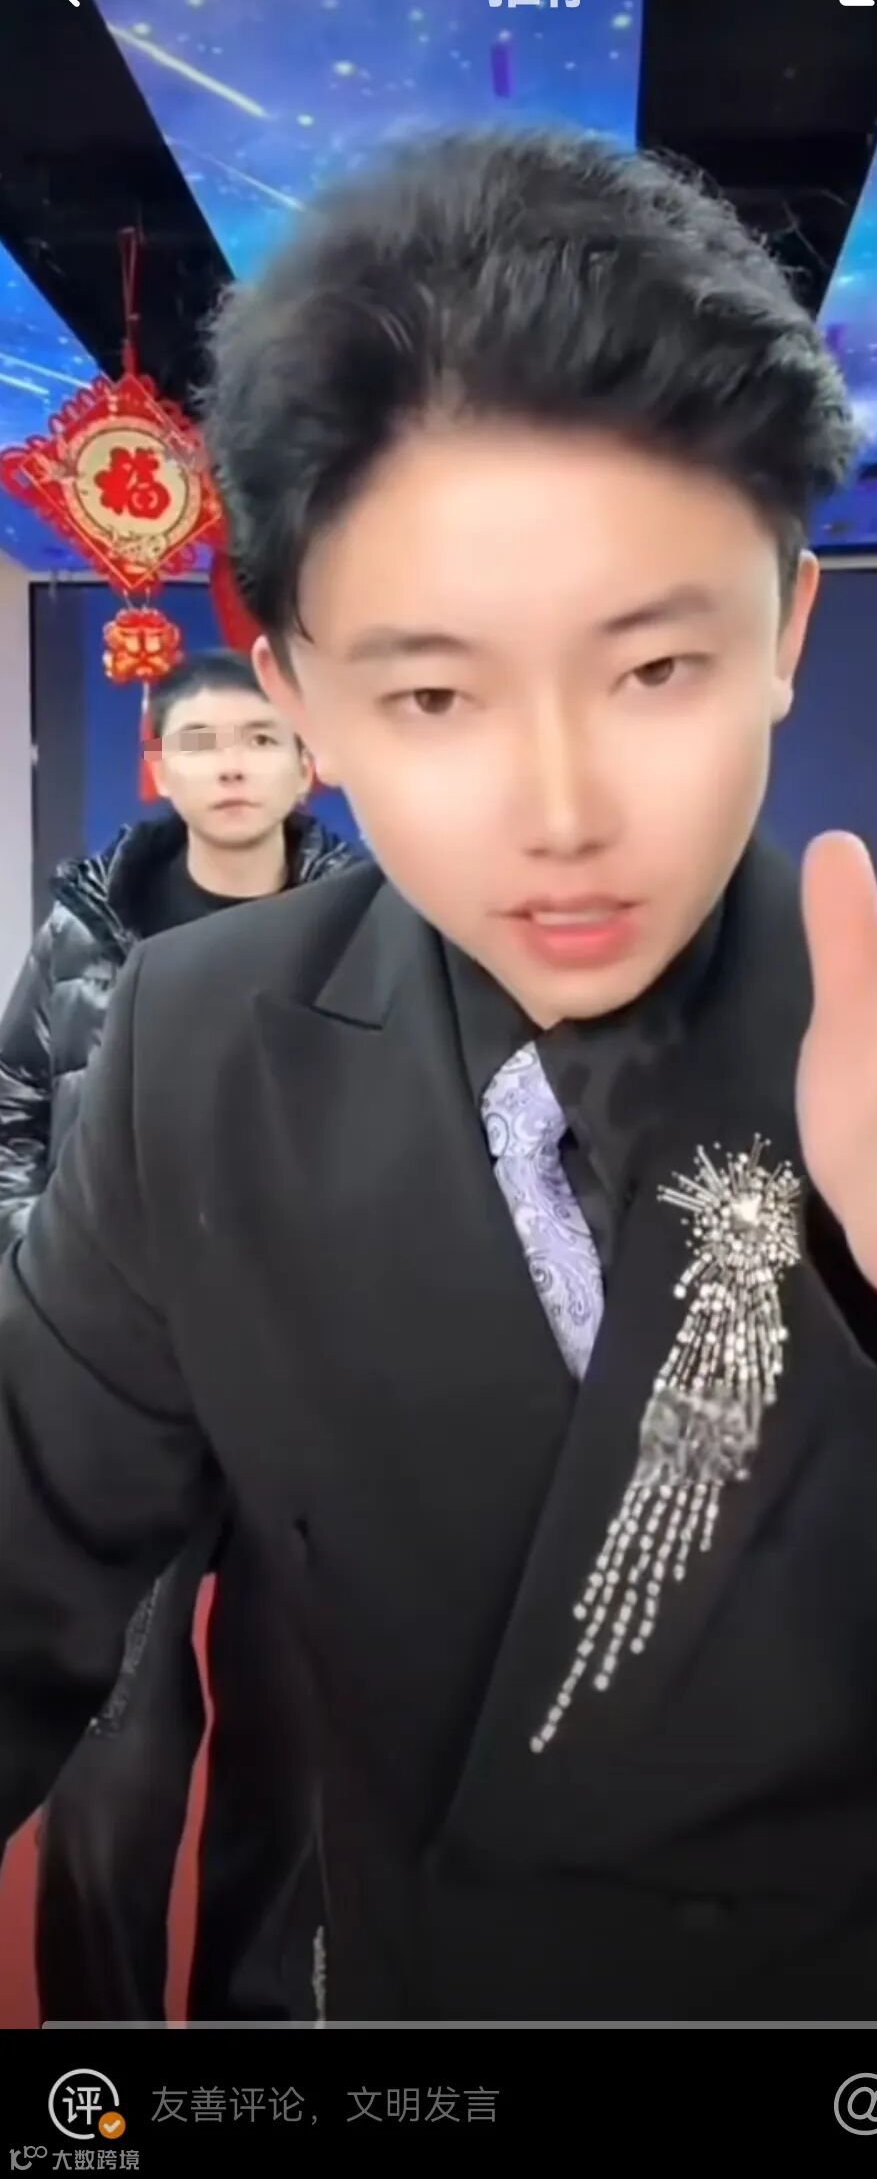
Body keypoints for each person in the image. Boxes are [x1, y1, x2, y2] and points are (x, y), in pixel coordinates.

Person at [2, 128, 877, 2025]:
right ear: (303, 698)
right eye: (434, 696)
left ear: (787, 631)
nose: (563, 813)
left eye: (655, 671)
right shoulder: (201, 1055)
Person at [0, 650, 355, 2020]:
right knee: (115, 1752)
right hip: (126, 1376)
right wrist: (40, 1261)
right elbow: (13, 1103)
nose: (230, 766)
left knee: (300, 1744)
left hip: (308, 1382)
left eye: (259, 740)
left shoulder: (376, 927)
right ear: (161, 767)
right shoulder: (84, 930)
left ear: (307, 763)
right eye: (201, 742)